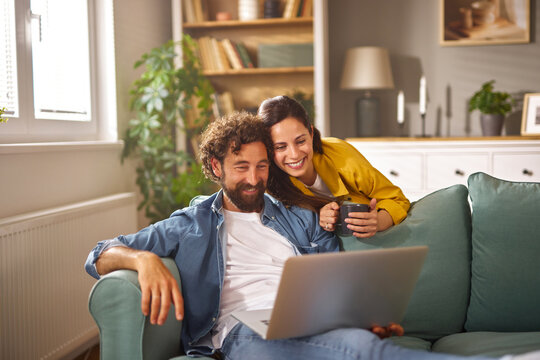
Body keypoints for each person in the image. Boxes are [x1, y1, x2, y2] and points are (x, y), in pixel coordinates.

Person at [85, 112, 504, 360]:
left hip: (309, 321)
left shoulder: (300, 218)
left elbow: (338, 279)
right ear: (215, 167)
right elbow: (99, 254)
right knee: (361, 354)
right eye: (241, 167)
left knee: (360, 343)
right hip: (241, 332)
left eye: (262, 166)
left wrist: (362, 315)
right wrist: (143, 259)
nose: (254, 179)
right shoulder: (190, 223)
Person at [258, 95, 410, 238]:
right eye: (280, 147)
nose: (294, 154)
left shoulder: (340, 154)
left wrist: (379, 221)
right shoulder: (270, 183)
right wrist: (319, 214)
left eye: (300, 141)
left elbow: (398, 200)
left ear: (311, 133)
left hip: (376, 236)